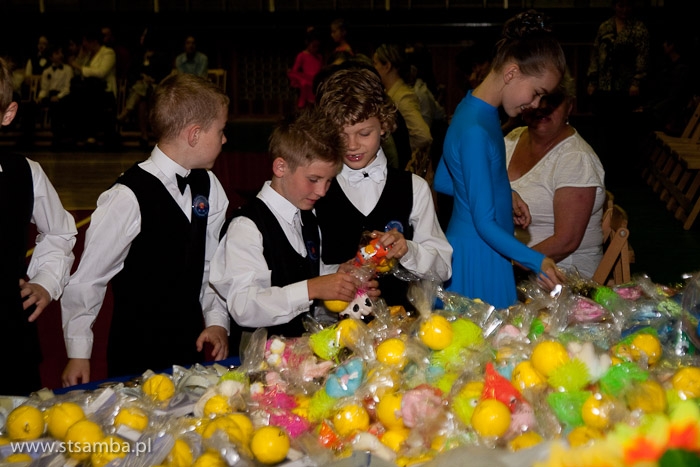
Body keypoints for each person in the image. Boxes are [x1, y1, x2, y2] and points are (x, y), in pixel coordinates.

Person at [61, 73, 230, 386]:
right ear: (194, 134)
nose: (224, 139)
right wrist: (79, 353)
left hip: (189, 345)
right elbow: (88, 280)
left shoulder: (209, 185)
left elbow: (212, 263)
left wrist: (217, 319)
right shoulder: (127, 196)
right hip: (135, 350)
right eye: (220, 130)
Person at [433, 10, 566, 310]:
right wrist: (538, 261)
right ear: (511, 73)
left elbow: (444, 179)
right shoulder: (477, 131)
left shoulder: (472, 109)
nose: (535, 104)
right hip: (479, 256)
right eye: (536, 93)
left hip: (479, 248)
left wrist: (505, 193)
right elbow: (484, 223)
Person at [210, 107, 361, 355]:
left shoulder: (308, 217)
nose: (322, 191)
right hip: (259, 360)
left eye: (329, 181)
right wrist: (312, 288)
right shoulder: (247, 226)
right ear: (280, 167)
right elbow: (244, 307)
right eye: (313, 179)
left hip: (301, 357)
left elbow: (301, 272)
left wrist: (337, 276)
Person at [315, 67, 452, 310]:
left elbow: (443, 269)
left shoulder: (414, 188)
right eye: (341, 135)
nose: (352, 145)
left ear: (384, 125)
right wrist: (335, 274)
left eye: (364, 133)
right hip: (334, 325)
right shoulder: (316, 190)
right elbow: (301, 269)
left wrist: (408, 250)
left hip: (401, 322)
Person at [0, 57, 77, 396]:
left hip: (10, 341)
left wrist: (46, 281)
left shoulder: (25, 174)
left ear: (7, 114)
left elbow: (60, 231)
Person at [505, 72, 606, 279]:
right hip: (517, 266)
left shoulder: (576, 158)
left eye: (552, 100)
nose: (541, 107)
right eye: (534, 98)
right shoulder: (513, 138)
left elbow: (565, 242)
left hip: (562, 277)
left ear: (569, 106)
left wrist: (509, 264)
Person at [586, 0, 650, 177]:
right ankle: (604, 169)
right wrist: (592, 80)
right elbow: (595, 54)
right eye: (621, 6)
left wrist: (637, 81)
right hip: (605, 85)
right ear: (614, 6)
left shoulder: (639, 29)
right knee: (604, 128)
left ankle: (623, 171)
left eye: (627, 6)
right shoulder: (605, 27)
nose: (624, 10)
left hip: (626, 87)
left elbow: (642, 56)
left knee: (624, 130)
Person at [373, 43, 432, 170]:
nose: (374, 68)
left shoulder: (403, 97)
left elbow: (423, 136)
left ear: (387, 66)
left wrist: (400, 149)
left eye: (375, 63)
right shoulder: (390, 92)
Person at [117, 27, 172, 148]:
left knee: (143, 89)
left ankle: (126, 112)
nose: (141, 38)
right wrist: (142, 77)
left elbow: (165, 73)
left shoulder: (161, 55)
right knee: (142, 97)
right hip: (142, 87)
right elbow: (132, 73)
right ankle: (144, 135)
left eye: (143, 36)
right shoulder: (139, 55)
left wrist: (152, 79)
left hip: (157, 87)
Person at [66, 27, 119, 147]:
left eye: (85, 41)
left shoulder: (108, 52)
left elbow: (101, 72)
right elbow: (78, 72)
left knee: (88, 99)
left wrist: (77, 66)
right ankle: (77, 134)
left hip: (104, 90)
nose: (84, 44)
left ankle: (91, 135)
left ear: (94, 41)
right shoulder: (88, 55)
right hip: (88, 90)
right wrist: (80, 57)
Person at [287, 26, 323, 109]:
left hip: (317, 85)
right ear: (307, 43)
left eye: (317, 47)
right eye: (313, 46)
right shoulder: (302, 56)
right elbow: (295, 71)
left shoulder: (319, 57)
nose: (315, 49)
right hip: (307, 85)